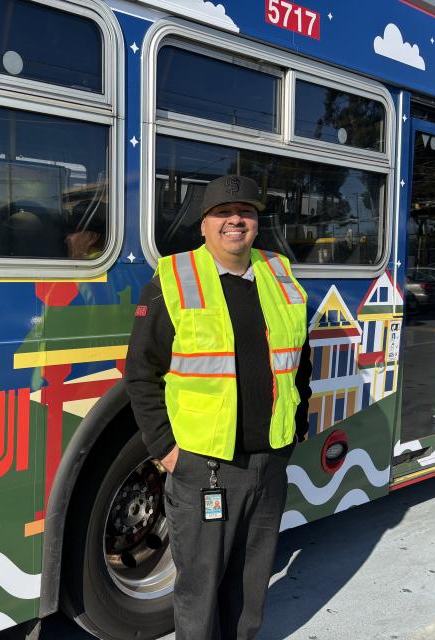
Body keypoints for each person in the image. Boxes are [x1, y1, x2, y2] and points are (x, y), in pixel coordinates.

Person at [125, 175, 312, 640]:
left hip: (269, 462)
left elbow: (299, 359)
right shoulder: (172, 280)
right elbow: (141, 374)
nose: (236, 220)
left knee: (251, 586)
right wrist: (167, 449)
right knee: (200, 586)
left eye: (246, 211)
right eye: (224, 213)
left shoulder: (279, 274)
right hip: (205, 465)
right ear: (204, 225)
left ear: (256, 223)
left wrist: (297, 427)